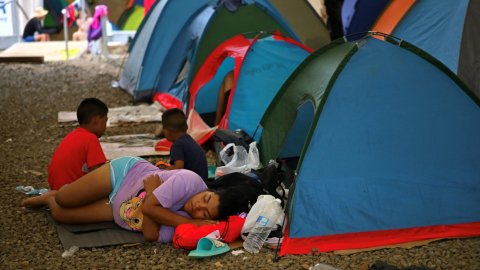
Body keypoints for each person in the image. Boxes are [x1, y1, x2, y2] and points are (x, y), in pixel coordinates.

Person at [22, 157, 240, 243]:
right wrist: (190, 221)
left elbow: (151, 235)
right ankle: (54, 194)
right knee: (64, 197)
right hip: (124, 174)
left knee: (60, 213)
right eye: (206, 198)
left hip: (118, 210)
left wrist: (153, 200)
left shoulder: (187, 226)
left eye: (205, 213)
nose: (199, 205)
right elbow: (151, 210)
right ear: (207, 189)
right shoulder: (189, 181)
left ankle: (48, 199)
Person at [47, 98, 108, 190]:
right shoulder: (91, 138)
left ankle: (49, 198)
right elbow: (98, 175)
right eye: (105, 121)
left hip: (56, 189)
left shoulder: (71, 136)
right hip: (71, 194)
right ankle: (49, 200)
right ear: (97, 120)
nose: (106, 126)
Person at [162, 108, 209, 181]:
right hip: (203, 181)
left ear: (166, 132)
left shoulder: (177, 145)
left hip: (192, 185)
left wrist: (161, 172)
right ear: (187, 126)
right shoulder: (190, 140)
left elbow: (178, 167)